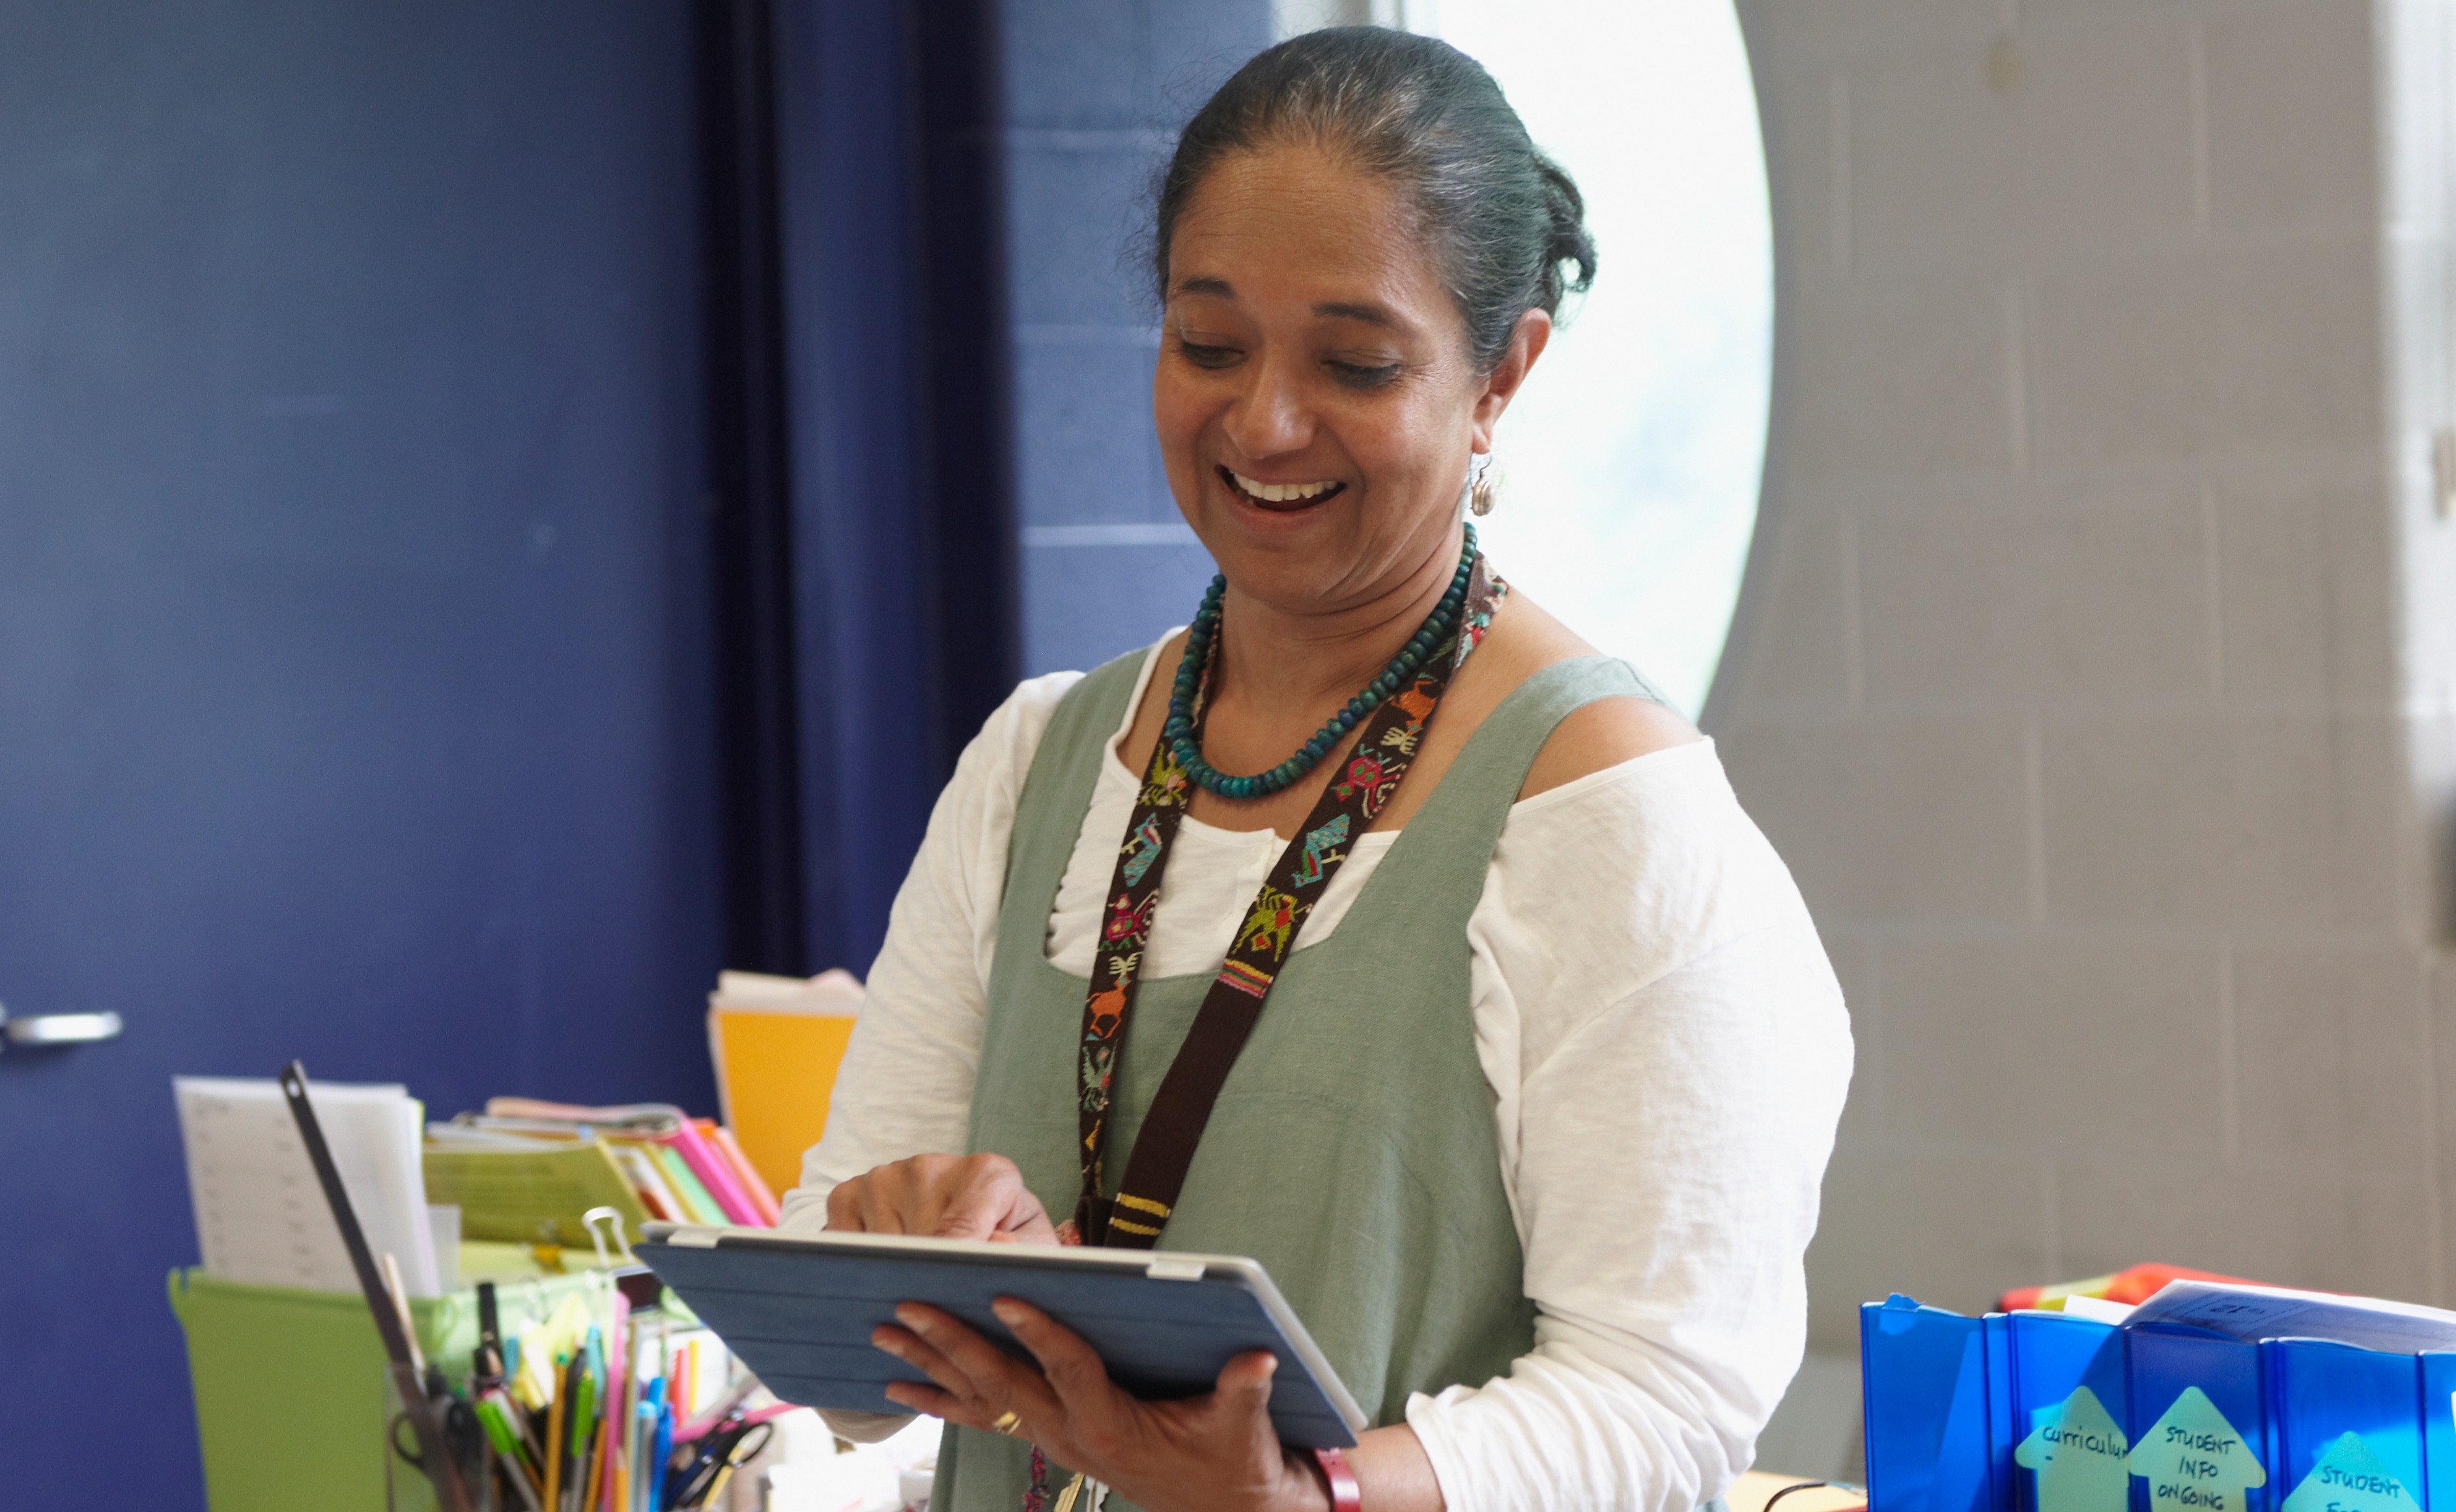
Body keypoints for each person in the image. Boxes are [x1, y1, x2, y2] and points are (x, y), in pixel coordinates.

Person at [780, 26, 1849, 1512]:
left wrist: (1316, 1498)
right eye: (1207, 343)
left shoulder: (1607, 813)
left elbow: (1668, 1396)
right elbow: (825, 1356)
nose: (1265, 420)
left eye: (1354, 362)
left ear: (1502, 376)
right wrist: (899, 1249)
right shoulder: (1042, 759)